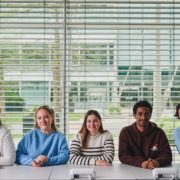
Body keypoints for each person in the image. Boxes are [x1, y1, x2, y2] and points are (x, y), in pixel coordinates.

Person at [119, 100, 172, 169]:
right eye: (140, 114)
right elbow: (123, 155)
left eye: (146, 114)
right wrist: (141, 162)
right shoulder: (126, 132)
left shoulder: (159, 133)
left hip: (155, 171)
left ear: (150, 115)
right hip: (133, 170)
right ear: (134, 115)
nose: (143, 117)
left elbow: (167, 155)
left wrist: (157, 162)